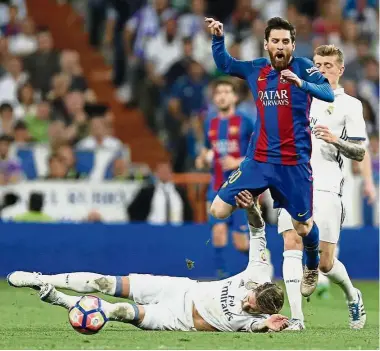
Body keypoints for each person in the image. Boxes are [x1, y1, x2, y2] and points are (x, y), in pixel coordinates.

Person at [8, 191, 290, 333]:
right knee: (104, 282)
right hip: (178, 289)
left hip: (176, 321)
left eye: (252, 310)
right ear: (257, 287)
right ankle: (42, 279)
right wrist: (252, 209)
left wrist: (267, 325)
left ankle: (59, 300)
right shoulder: (259, 270)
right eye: (251, 300)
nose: (247, 305)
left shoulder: (256, 320)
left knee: (119, 311)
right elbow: (258, 232)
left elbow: (257, 326)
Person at [204, 16, 335, 297]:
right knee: (218, 209)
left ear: (292, 45)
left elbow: (328, 92)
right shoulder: (258, 69)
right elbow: (226, 65)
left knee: (303, 226)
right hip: (259, 161)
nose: (280, 46)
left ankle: (311, 263)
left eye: (285, 42)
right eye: (275, 41)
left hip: (294, 165)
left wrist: (301, 83)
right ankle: (255, 219)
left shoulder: (303, 67)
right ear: (266, 44)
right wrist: (218, 38)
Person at [278, 45, 368, 331]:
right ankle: (296, 318)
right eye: (318, 64)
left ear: (340, 70)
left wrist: (335, 140)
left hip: (328, 188)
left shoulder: (350, 105)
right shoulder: (298, 97)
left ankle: (353, 295)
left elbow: (360, 152)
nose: (323, 69)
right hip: (294, 183)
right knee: (291, 244)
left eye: (329, 65)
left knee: (326, 264)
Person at [195, 78, 254, 278]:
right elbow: (205, 150)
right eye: (218, 92)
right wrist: (201, 159)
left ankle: (260, 265)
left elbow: (258, 153)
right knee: (218, 234)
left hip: (241, 188)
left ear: (235, 97)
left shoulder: (245, 121)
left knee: (241, 243)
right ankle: (222, 278)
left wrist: (238, 161)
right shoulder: (210, 123)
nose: (222, 96)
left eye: (227, 92)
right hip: (217, 186)